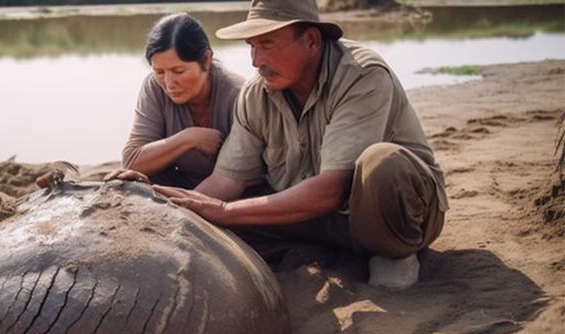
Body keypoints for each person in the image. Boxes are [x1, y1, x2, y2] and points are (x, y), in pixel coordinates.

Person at [149, 0, 449, 289]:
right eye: (252, 46)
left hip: (387, 214)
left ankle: (393, 251)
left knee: (383, 163)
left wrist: (225, 210)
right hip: (316, 218)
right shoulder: (256, 94)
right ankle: (326, 249)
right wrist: (180, 213)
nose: (256, 61)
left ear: (312, 41)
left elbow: (332, 188)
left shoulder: (362, 75)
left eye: (267, 44)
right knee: (228, 212)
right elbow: (226, 180)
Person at [110, 13, 245, 189]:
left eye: (179, 71)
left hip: (232, 192)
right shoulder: (155, 87)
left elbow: (237, 178)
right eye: (159, 72)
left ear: (206, 59)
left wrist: (185, 202)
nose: (168, 83)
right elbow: (132, 161)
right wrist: (189, 138)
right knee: (127, 178)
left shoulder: (239, 95)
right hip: (182, 185)